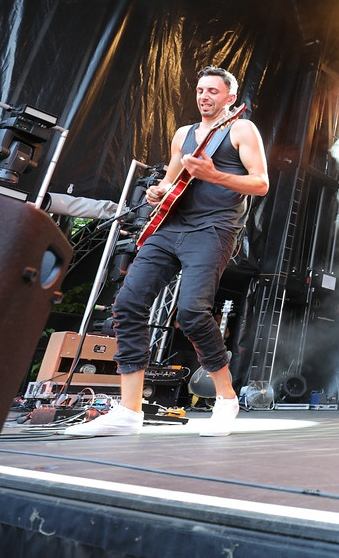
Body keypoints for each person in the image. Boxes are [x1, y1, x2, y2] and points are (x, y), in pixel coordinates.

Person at [67, 66, 269, 437]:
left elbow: (260, 183)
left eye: (212, 90)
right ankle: (129, 411)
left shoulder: (241, 129)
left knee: (192, 311)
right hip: (169, 228)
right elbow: (171, 181)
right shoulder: (183, 135)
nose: (203, 96)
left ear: (229, 98)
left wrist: (215, 176)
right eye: (199, 90)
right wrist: (156, 191)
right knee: (127, 305)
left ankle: (226, 398)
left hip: (213, 229)